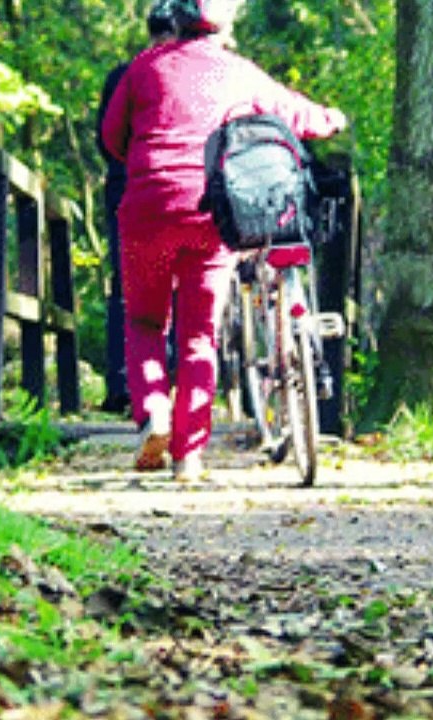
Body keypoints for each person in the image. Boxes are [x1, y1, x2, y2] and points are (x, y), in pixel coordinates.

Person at [100, 0, 346, 481]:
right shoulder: (240, 73)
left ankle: (154, 413)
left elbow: (112, 137)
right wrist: (332, 118)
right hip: (212, 213)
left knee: (146, 321)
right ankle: (188, 457)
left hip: (148, 208)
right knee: (198, 336)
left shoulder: (144, 67)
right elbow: (298, 115)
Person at [95, 3, 177, 416]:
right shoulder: (181, 75)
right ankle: (170, 379)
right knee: (179, 288)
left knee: (126, 292)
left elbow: (105, 138)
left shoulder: (123, 76)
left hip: (125, 192)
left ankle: (124, 384)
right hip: (178, 192)